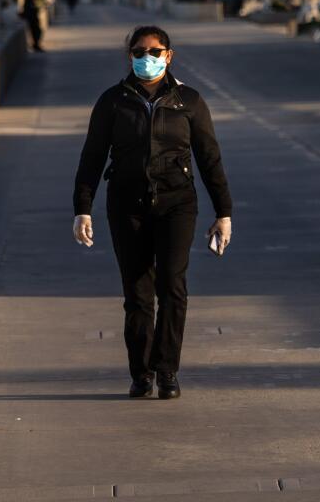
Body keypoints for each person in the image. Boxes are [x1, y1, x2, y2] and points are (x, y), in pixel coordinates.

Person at [72, 25, 233, 399]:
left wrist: (223, 212)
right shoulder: (113, 101)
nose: (149, 58)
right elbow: (92, 157)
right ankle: (142, 373)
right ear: (129, 55)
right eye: (140, 51)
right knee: (138, 294)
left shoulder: (188, 101)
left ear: (170, 55)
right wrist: (83, 208)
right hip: (126, 205)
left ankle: (168, 370)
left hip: (177, 204)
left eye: (156, 51)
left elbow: (210, 159)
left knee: (172, 287)